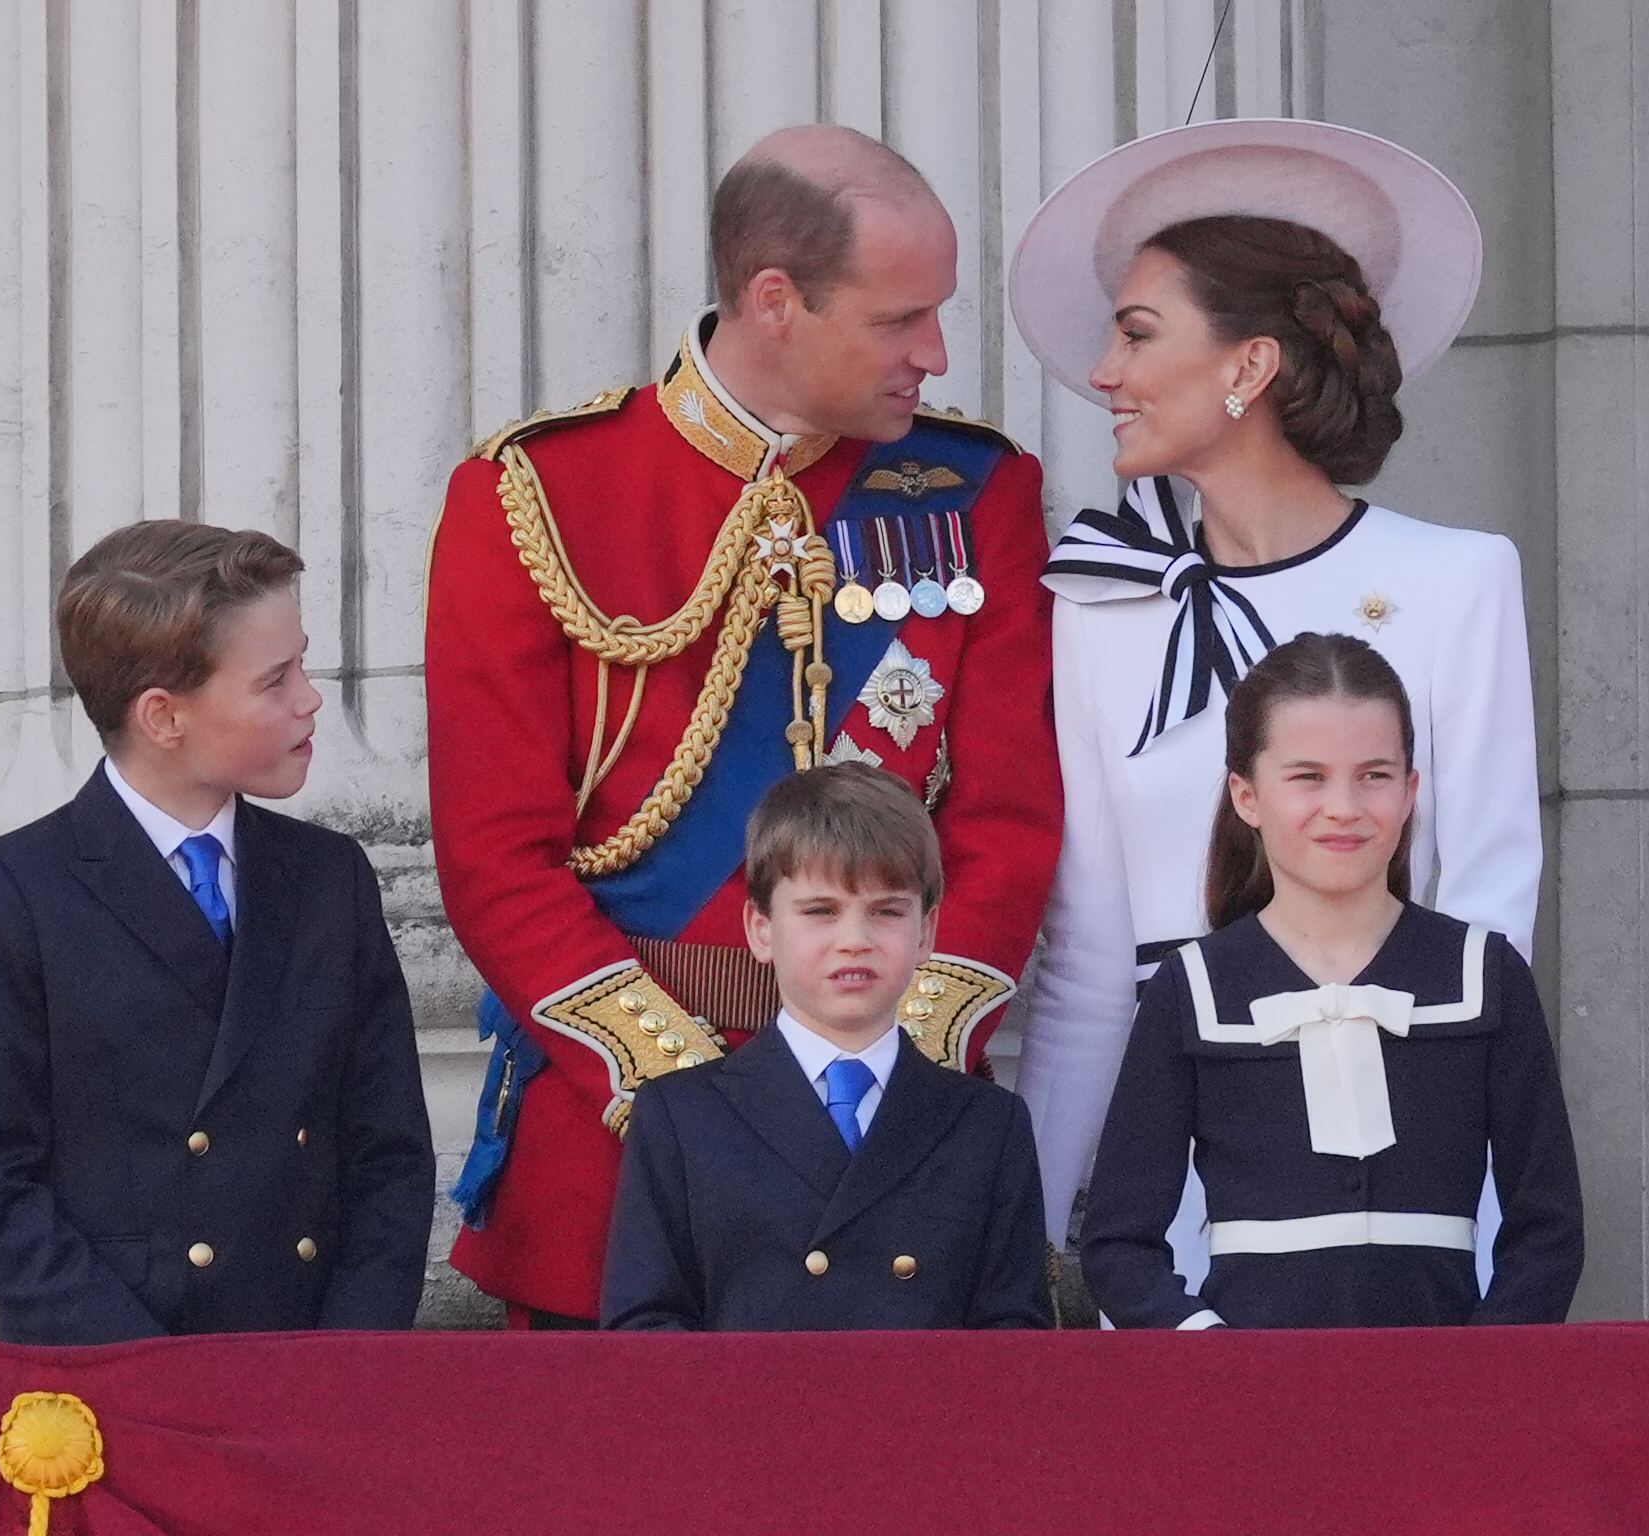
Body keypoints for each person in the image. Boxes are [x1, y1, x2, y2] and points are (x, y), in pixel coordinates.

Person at [429, 123, 1061, 1327]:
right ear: (775, 300)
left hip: (899, 1147)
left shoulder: (978, 491)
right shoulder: (536, 493)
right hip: (622, 1148)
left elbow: (1008, 826)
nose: (933, 353)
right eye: (896, 320)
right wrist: (693, 1107)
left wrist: (892, 1065)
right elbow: (493, 860)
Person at [1005, 119, 1541, 1266]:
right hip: (1178, 1188)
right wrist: (1028, 1239)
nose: (1104, 373)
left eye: (1138, 336)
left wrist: (1485, 1228)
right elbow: (1092, 962)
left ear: (1246, 366)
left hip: (1402, 1175)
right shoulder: (1100, 605)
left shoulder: (1455, 581)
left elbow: (1487, 923)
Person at [0, 521, 435, 1344]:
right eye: (275, 680)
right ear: (163, 715)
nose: (310, 698)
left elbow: (389, 1154)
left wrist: (350, 1356)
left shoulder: (329, 878)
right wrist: (140, 1372)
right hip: (109, 1383)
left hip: (309, 1371)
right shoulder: (15, 891)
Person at [1082, 635, 1581, 1327]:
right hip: (1252, 1400)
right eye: (1308, 776)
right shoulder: (1190, 987)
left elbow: (1549, 1230)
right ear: (1247, 795)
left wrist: (1482, 1368)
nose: (1344, 806)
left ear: (1411, 791)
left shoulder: (1485, 974)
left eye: (1374, 775)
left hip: (1448, 1401)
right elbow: (1118, 1244)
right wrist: (1208, 1350)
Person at [601, 762, 1053, 1330]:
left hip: (926, 1418)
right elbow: (646, 1333)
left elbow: (1014, 1342)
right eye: (821, 912)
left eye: (886, 912)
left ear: (927, 934)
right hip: (746, 1417)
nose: (855, 942)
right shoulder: (682, 1117)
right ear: (760, 929)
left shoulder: (988, 1126)